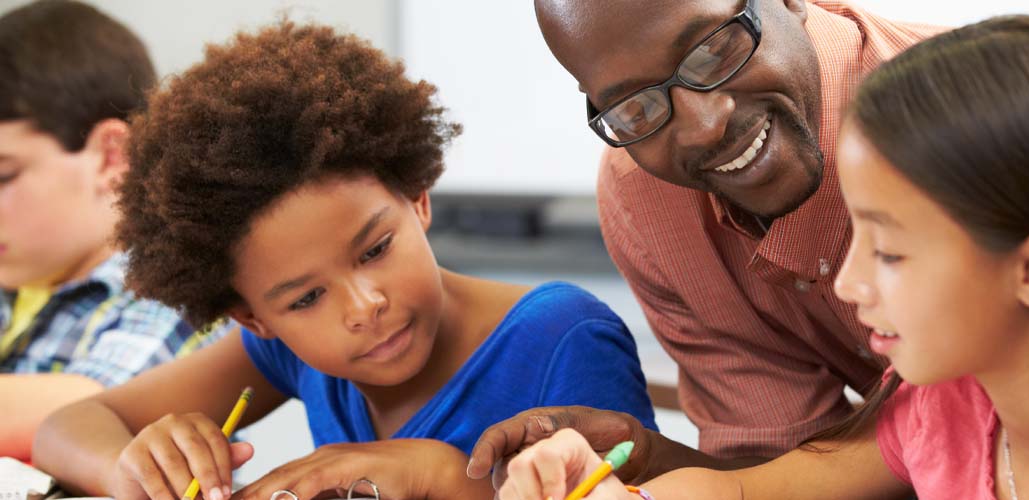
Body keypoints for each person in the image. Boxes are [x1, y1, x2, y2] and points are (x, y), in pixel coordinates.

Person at [467, 0, 1029, 485]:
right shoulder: (938, 414)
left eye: (715, 47)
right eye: (635, 105)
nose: (702, 125)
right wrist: (643, 468)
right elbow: (779, 482)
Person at [31, 21, 656, 500]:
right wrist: (132, 466)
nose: (365, 307)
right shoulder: (282, 349)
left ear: (417, 199)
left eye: (376, 250)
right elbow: (71, 426)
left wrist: (441, 478)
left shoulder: (562, 337)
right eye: (305, 298)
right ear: (254, 318)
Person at [0, 0, 225, 461]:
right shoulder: (17, 278)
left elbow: (97, 413)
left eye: (4, 176)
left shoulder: (176, 285)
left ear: (111, 157)